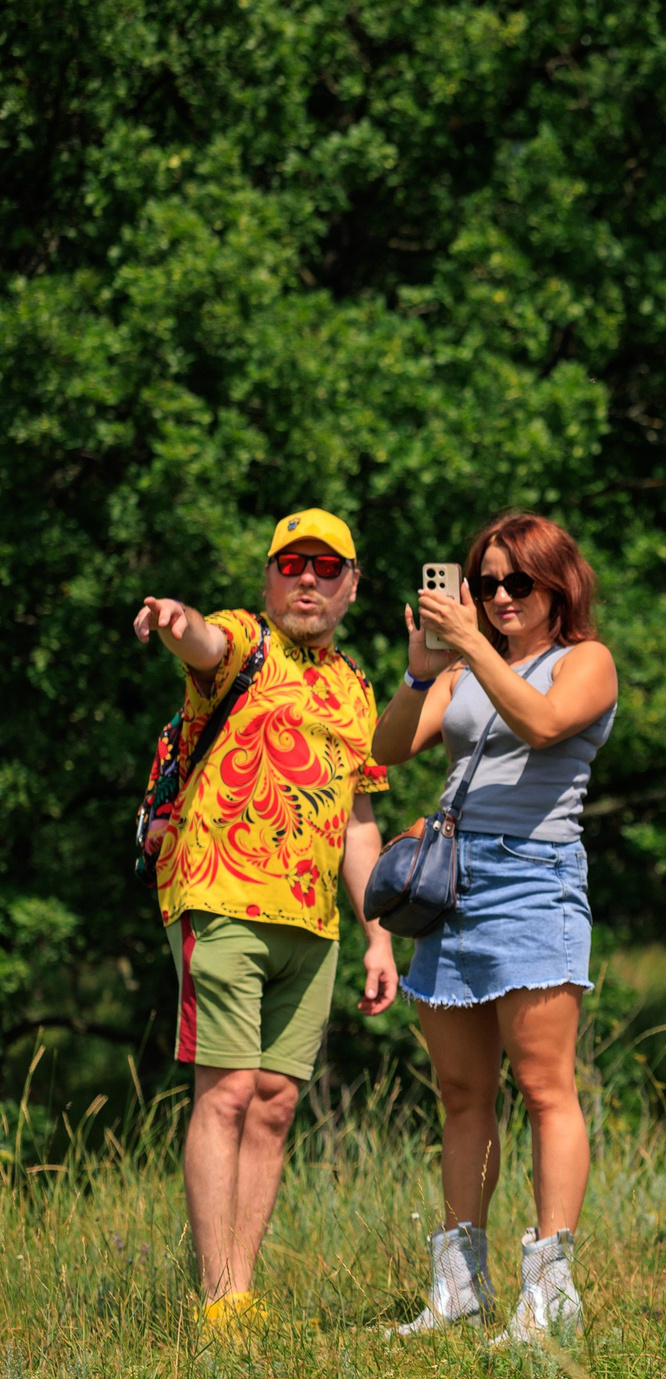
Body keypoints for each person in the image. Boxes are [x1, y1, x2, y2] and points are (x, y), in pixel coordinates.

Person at [134, 508, 400, 1329]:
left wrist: (378, 932)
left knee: (278, 1099)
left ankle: (240, 1293)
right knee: (227, 1091)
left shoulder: (357, 690)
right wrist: (178, 621)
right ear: (267, 581)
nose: (308, 580)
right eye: (292, 567)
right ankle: (217, 1301)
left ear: (352, 585)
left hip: (314, 922)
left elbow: (358, 822)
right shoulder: (246, 642)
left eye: (327, 567)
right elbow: (202, 644)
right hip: (218, 898)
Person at [374, 512, 619, 1345]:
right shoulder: (460, 669)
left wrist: (473, 647)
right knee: (462, 1093)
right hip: (453, 883)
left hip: (534, 877)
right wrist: (419, 673)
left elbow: (545, 725)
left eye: (519, 582)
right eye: (485, 582)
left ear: (559, 587)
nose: (500, 595)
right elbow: (390, 749)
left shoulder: (585, 662)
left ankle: (550, 1290)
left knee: (545, 1085)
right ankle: (459, 1287)